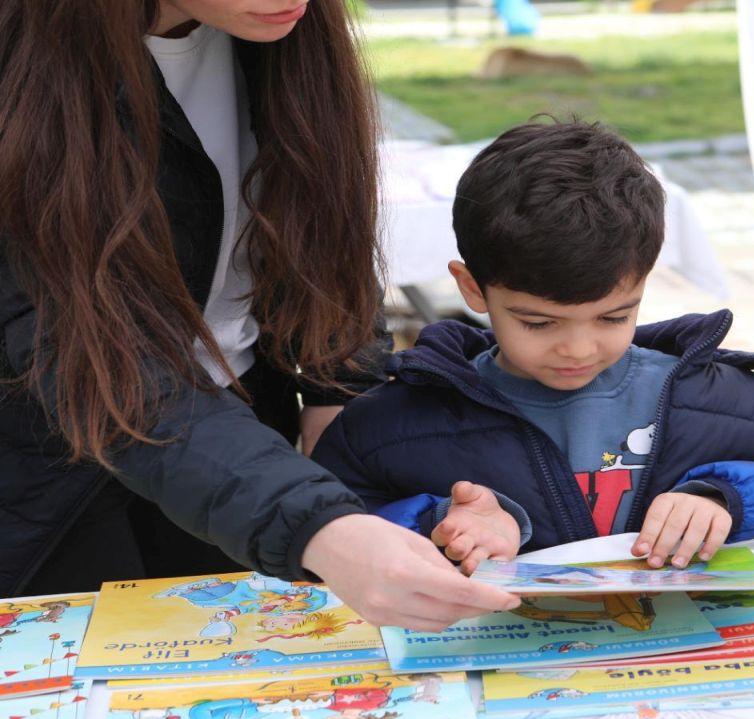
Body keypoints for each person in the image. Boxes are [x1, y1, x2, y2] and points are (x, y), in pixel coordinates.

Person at [0, 0, 518, 630]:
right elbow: (101, 359)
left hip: (243, 460)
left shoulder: (285, 39)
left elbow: (323, 259)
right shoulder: (23, 65)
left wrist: (349, 439)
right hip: (49, 495)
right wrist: (321, 524)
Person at [311, 120, 754, 573]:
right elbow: (327, 527)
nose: (579, 348)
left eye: (614, 316)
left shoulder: (730, 402)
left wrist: (728, 499)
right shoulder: (389, 426)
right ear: (472, 287)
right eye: (540, 323)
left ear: (645, 279)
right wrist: (438, 524)